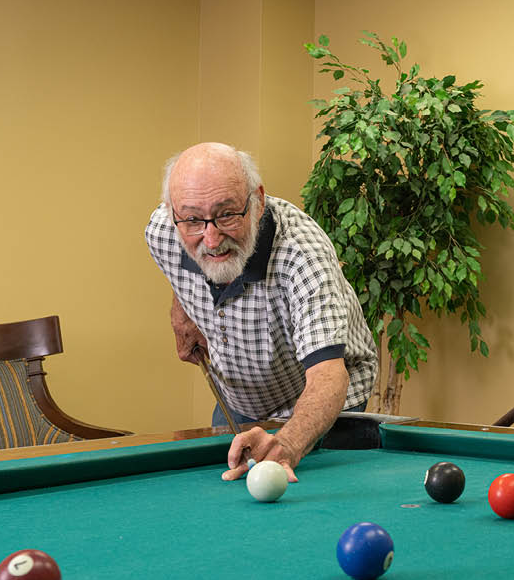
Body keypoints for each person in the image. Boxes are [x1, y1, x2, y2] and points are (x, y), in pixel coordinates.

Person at [145, 142, 377, 482]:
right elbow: (182, 264)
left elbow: (328, 375)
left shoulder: (302, 256)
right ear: (172, 212)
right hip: (239, 394)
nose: (210, 239)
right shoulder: (162, 231)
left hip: (322, 396)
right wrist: (182, 311)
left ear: (258, 200)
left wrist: (288, 443)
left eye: (226, 215)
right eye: (193, 219)